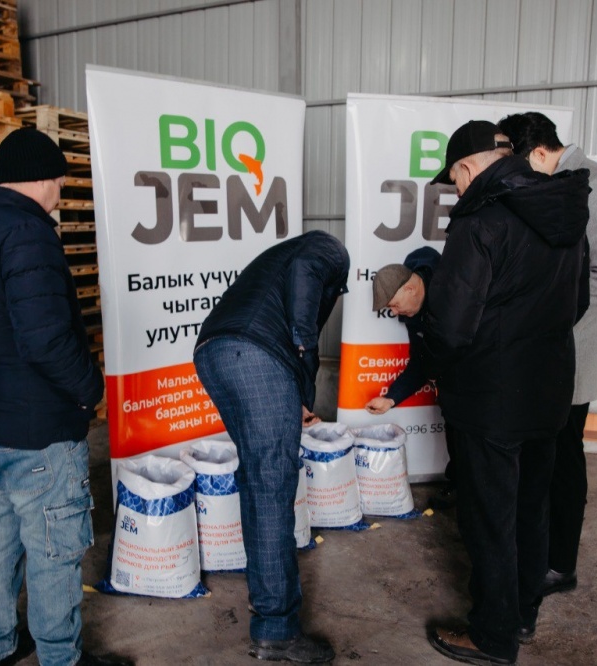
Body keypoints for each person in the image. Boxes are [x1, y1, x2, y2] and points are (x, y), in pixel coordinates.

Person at [0, 128, 127, 666]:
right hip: (39, 427)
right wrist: (90, 391)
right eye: (60, 182)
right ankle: (60, 658)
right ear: (43, 178)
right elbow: (45, 339)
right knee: (54, 550)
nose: (61, 193)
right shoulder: (27, 233)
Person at [418, 120, 590, 666]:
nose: (456, 190)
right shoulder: (565, 211)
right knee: (532, 508)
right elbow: (579, 301)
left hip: (490, 400)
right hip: (549, 390)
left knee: (490, 518)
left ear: (467, 168)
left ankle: (492, 637)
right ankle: (522, 615)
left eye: (453, 179)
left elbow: (452, 328)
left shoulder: (480, 222)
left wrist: (435, 359)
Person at [194, 230, 349, 664]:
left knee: (255, 482)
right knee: (272, 490)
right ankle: (277, 628)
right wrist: (306, 377)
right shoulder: (327, 248)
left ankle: (264, 596)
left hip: (213, 351)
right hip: (257, 355)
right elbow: (305, 286)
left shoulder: (280, 255)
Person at [498, 111, 597, 598]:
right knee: (541, 462)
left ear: (538, 152)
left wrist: (549, 316)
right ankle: (537, 552)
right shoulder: (548, 186)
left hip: (573, 349)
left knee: (564, 460)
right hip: (542, 348)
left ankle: (560, 564)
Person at [366, 248, 458, 510]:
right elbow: (420, 363)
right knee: (455, 435)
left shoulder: (452, 292)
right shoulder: (413, 313)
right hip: (451, 390)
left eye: (394, 305)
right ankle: (458, 486)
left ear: (411, 288)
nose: (394, 313)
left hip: (476, 381)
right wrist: (390, 399)